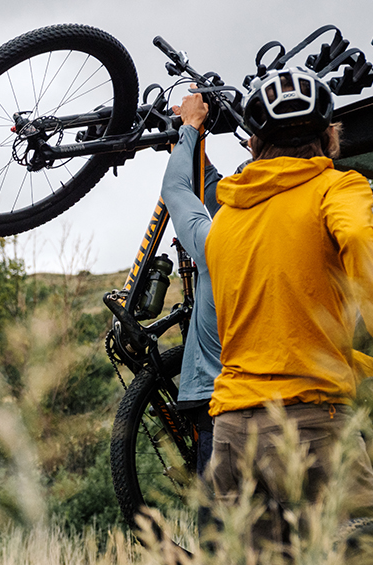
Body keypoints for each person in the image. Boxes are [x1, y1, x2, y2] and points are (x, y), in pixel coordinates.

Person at [201, 68, 373, 565]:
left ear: (253, 143)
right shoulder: (333, 187)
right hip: (309, 427)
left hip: (231, 432)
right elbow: (365, 250)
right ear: (330, 138)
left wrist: (359, 365)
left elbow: (279, 330)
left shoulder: (227, 217)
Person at [159, 87, 226, 482]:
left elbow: (177, 190)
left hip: (220, 408)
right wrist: (193, 143)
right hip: (291, 405)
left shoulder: (218, 243)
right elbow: (214, 188)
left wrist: (189, 129)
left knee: (225, 536)